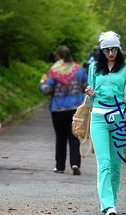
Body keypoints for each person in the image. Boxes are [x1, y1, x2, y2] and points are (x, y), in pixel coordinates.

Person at [85, 31, 126, 215]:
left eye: (114, 49)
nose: (110, 53)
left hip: (120, 118)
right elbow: (91, 97)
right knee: (104, 163)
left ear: (119, 48)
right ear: (101, 50)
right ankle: (107, 205)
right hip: (98, 117)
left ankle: (112, 201)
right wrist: (90, 92)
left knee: (116, 164)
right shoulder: (93, 68)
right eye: (106, 50)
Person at [39, 45, 88, 175]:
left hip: (58, 109)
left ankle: (60, 166)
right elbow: (86, 87)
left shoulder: (54, 71)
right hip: (75, 109)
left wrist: (42, 83)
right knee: (74, 137)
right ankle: (75, 163)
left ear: (58, 57)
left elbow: (47, 90)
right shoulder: (79, 70)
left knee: (60, 138)